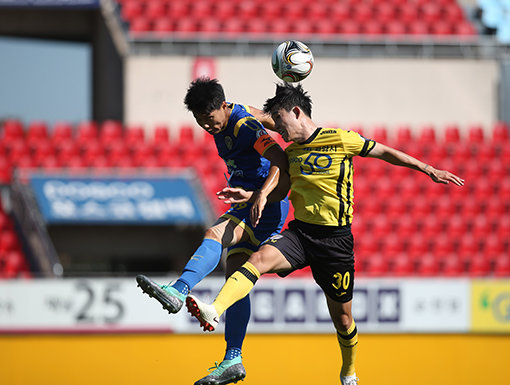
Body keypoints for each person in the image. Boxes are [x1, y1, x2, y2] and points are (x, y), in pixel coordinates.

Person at [185, 82, 465, 385]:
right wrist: (252, 195)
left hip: (335, 243)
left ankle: (349, 370)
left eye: (279, 120)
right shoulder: (289, 153)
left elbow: (383, 151)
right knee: (258, 259)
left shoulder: (341, 139)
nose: (277, 127)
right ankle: (215, 309)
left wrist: (427, 168)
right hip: (301, 234)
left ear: (296, 112)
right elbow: (276, 183)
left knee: (343, 319)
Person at [136, 78, 290, 385]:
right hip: (252, 202)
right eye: (200, 121)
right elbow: (262, 115)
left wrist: (260, 194)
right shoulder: (234, 113)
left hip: (263, 206)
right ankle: (233, 358)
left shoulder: (244, 127)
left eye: (210, 119)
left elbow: (279, 159)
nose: (208, 126)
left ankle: (178, 290)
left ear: (222, 106)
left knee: (214, 235)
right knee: (236, 275)